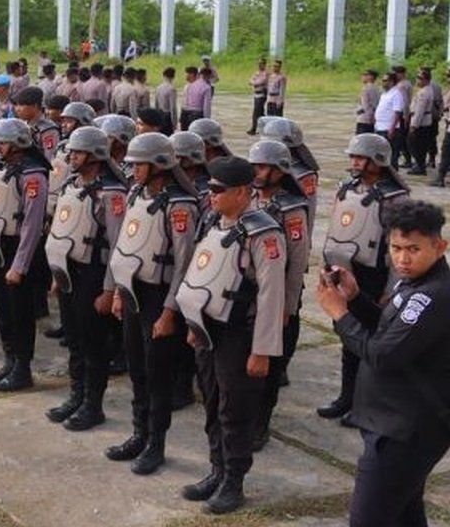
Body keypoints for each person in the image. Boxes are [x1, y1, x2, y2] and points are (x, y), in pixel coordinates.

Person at [316, 200, 450, 527]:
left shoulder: (430, 294)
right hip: (398, 423)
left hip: (405, 430)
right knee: (404, 513)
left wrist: (340, 315)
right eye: (396, 248)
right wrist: (355, 299)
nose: (403, 259)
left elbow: (383, 355)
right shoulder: (415, 283)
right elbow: (391, 332)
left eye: (414, 249)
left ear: (440, 246)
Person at [174, 156, 286, 515]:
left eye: (218, 190)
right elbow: (200, 272)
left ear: (241, 192)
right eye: (209, 188)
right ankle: (216, 468)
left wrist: (263, 350)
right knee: (210, 400)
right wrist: (193, 324)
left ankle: (233, 481)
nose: (210, 195)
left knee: (234, 410)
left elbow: (271, 295)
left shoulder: (263, 232)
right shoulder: (213, 221)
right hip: (209, 329)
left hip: (241, 334)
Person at [105, 132, 200, 475]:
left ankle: (155, 443)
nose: (131, 170)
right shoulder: (136, 194)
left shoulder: (180, 206)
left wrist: (170, 312)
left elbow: (185, 262)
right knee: (137, 368)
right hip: (133, 294)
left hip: (160, 299)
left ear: (159, 165)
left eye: (137, 164)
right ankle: (138, 432)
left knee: (158, 374)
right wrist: (118, 291)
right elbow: (124, 245)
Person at [318, 133, 410, 425]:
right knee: (348, 338)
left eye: (360, 157)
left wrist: (390, 289)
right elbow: (336, 230)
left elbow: (400, 245)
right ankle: (347, 397)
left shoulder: (395, 198)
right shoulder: (348, 189)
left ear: (378, 161)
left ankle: (364, 406)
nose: (354, 162)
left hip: (374, 278)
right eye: (353, 157)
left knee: (368, 343)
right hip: (345, 271)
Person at [45, 126, 127, 430]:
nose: (72, 157)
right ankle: (75, 395)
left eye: (78, 152)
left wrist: (109, 290)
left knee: (94, 344)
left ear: (96, 155)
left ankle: (93, 405)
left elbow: (119, 245)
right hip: (70, 273)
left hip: (95, 274)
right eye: (72, 152)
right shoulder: (72, 184)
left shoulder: (113, 193)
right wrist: (57, 274)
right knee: (75, 341)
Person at [0, 118, 50, 392]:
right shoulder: (1, 169)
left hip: (18, 249)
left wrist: (19, 265)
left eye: (3, 143)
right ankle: (9, 360)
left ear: (18, 144)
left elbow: (32, 225)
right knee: (2, 309)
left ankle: (23, 368)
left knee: (20, 313)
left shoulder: (33, 176)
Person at [247, 140, 312, 450]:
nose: (257, 173)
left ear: (279, 170)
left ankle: (261, 422)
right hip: (250, 293)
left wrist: (287, 306)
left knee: (271, 363)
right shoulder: (249, 199)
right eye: (255, 166)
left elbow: (297, 261)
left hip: (280, 294)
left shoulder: (292, 209)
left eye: (263, 167)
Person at [247, 58, 268, 135]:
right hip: (256, 94)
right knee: (260, 112)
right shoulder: (256, 73)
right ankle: (264, 127)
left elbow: (261, 82)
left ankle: (254, 128)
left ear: (264, 64)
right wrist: (254, 82)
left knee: (257, 111)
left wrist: (254, 82)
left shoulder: (266, 73)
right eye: (258, 63)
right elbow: (250, 81)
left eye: (261, 63)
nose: (259, 65)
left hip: (262, 94)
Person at [356, 69, 380, 135]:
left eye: (365, 75)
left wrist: (370, 119)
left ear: (370, 77)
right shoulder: (377, 88)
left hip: (364, 119)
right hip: (373, 118)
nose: (362, 77)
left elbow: (366, 106)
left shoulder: (366, 89)